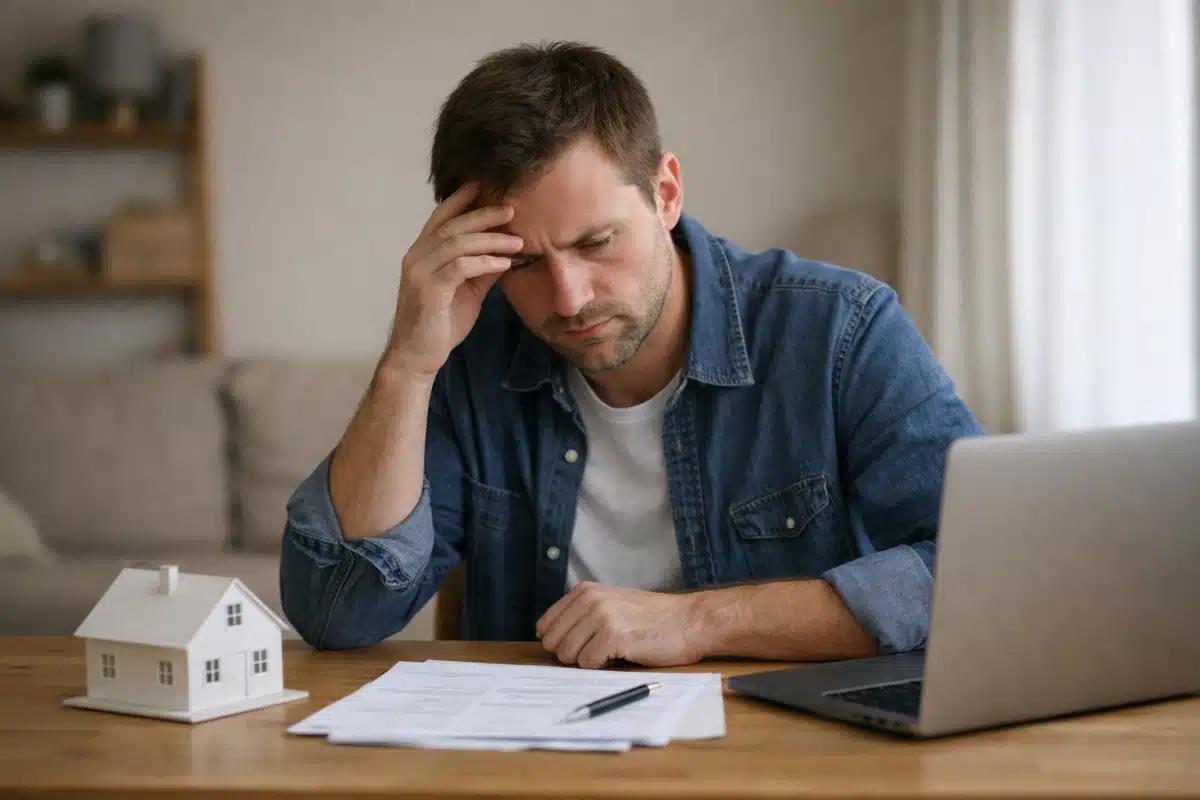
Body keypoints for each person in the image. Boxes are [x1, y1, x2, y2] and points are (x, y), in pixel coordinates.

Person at [280, 41, 983, 669]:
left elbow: (978, 579)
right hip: (532, 758)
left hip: (782, 751)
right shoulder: (472, 353)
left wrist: (698, 621)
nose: (569, 297)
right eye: (523, 263)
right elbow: (339, 615)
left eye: (596, 243)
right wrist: (408, 362)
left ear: (666, 193)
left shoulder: (840, 331)